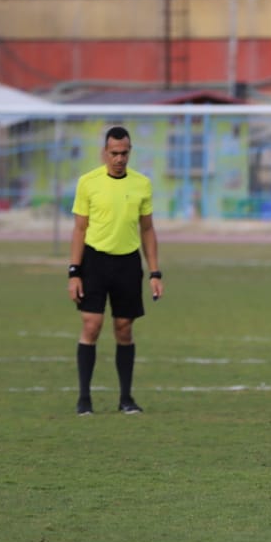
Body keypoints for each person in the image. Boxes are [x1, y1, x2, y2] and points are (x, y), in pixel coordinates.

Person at [67, 126, 163, 416]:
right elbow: (80, 228)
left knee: (124, 328)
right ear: (104, 152)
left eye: (124, 153)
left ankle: (126, 398)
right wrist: (74, 272)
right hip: (95, 262)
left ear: (129, 152)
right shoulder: (88, 182)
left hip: (128, 263)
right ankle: (84, 399)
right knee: (91, 325)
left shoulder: (142, 184)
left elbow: (147, 229)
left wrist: (155, 273)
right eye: (114, 153)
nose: (120, 159)